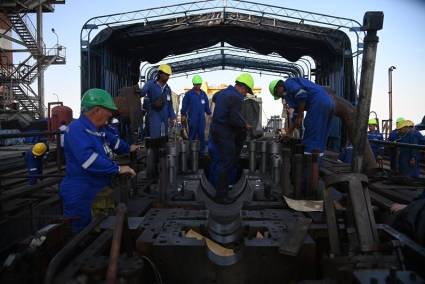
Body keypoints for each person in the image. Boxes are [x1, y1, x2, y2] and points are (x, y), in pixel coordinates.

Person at [59, 88, 137, 233]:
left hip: (98, 188)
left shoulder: (99, 129)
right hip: (81, 193)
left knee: (99, 228)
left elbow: (114, 142)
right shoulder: (77, 130)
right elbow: (89, 160)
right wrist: (118, 169)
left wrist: (129, 148)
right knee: (81, 235)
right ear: (96, 110)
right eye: (108, 111)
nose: (110, 115)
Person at [209, 73, 253, 203]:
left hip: (215, 130)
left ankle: (217, 188)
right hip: (225, 133)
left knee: (219, 161)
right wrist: (246, 125)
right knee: (227, 162)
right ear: (243, 87)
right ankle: (221, 195)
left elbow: (215, 98)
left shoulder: (223, 92)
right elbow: (234, 119)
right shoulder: (236, 97)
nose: (245, 94)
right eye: (246, 91)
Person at [269, 77, 335, 156]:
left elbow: (302, 95)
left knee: (310, 136)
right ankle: (318, 162)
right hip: (330, 102)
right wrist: (288, 133)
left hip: (318, 102)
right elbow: (296, 116)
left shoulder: (288, 83)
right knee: (320, 137)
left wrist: (300, 116)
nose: (280, 97)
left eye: (277, 94)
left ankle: (309, 164)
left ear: (279, 87)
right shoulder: (291, 96)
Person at [140, 64, 176, 139]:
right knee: (155, 138)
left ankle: (162, 150)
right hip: (154, 115)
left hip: (165, 117)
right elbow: (142, 93)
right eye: (166, 74)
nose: (167, 77)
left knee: (164, 138)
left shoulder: (168, 89)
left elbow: (170, 105)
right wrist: (137, 91)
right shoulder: (151, 84)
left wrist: (173, 117)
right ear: (160, 74)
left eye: (168, 75)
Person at [181, 75, 211, 155]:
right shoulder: (189, 94)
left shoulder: (203, 94)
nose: (198, 86)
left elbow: (206, 105)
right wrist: (183, 114)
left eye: (199, 84)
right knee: (192, 135)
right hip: (192, 118)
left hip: (201, 119)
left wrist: (209, 113)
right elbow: (184, 105)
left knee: (202, 135)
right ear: (193, 84)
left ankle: (202, 152)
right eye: (196, 84)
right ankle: (191, 152)